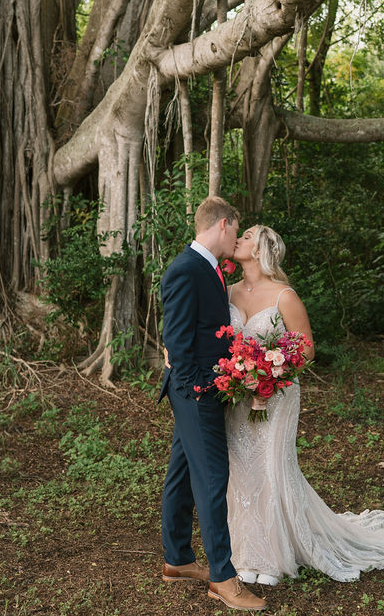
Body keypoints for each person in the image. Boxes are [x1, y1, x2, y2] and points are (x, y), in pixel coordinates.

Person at [225, 225, 384, 585]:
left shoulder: (284, 296)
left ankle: (271, 558)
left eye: (247, 235)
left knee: (272, 468)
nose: (239, 238)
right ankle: (246, 552)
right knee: (243, 470)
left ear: (260, 250)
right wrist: (240, 376)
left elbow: (305, 350)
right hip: (239, 397)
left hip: (276, 396)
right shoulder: (227, 292)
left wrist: (270, 376)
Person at [157, 197, 266, 611]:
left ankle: (178, 559)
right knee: (213, 479)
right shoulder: (185, 269)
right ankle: (222, 576)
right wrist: (203, 389)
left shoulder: (210, 268)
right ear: (223, 225)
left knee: (182, 473)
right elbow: (178, 343)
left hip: (200, 388)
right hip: (196, 393)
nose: (237, 238)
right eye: (236, 230)